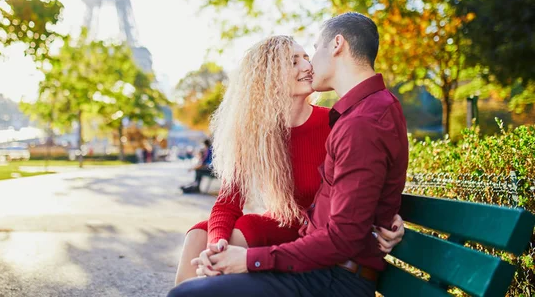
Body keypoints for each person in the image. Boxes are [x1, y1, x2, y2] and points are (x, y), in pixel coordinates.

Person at [172, 17, 406, 289]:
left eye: (307, 56)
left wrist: (385, 216)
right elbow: (227, 202)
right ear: (269, 79)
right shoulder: (257, 135)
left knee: (244, 232)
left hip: (317, 242)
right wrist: (217, 245)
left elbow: (364, 182)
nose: (307, 66)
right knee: (200, 235)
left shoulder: (335, 123)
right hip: (294, 234)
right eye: (294, 61)